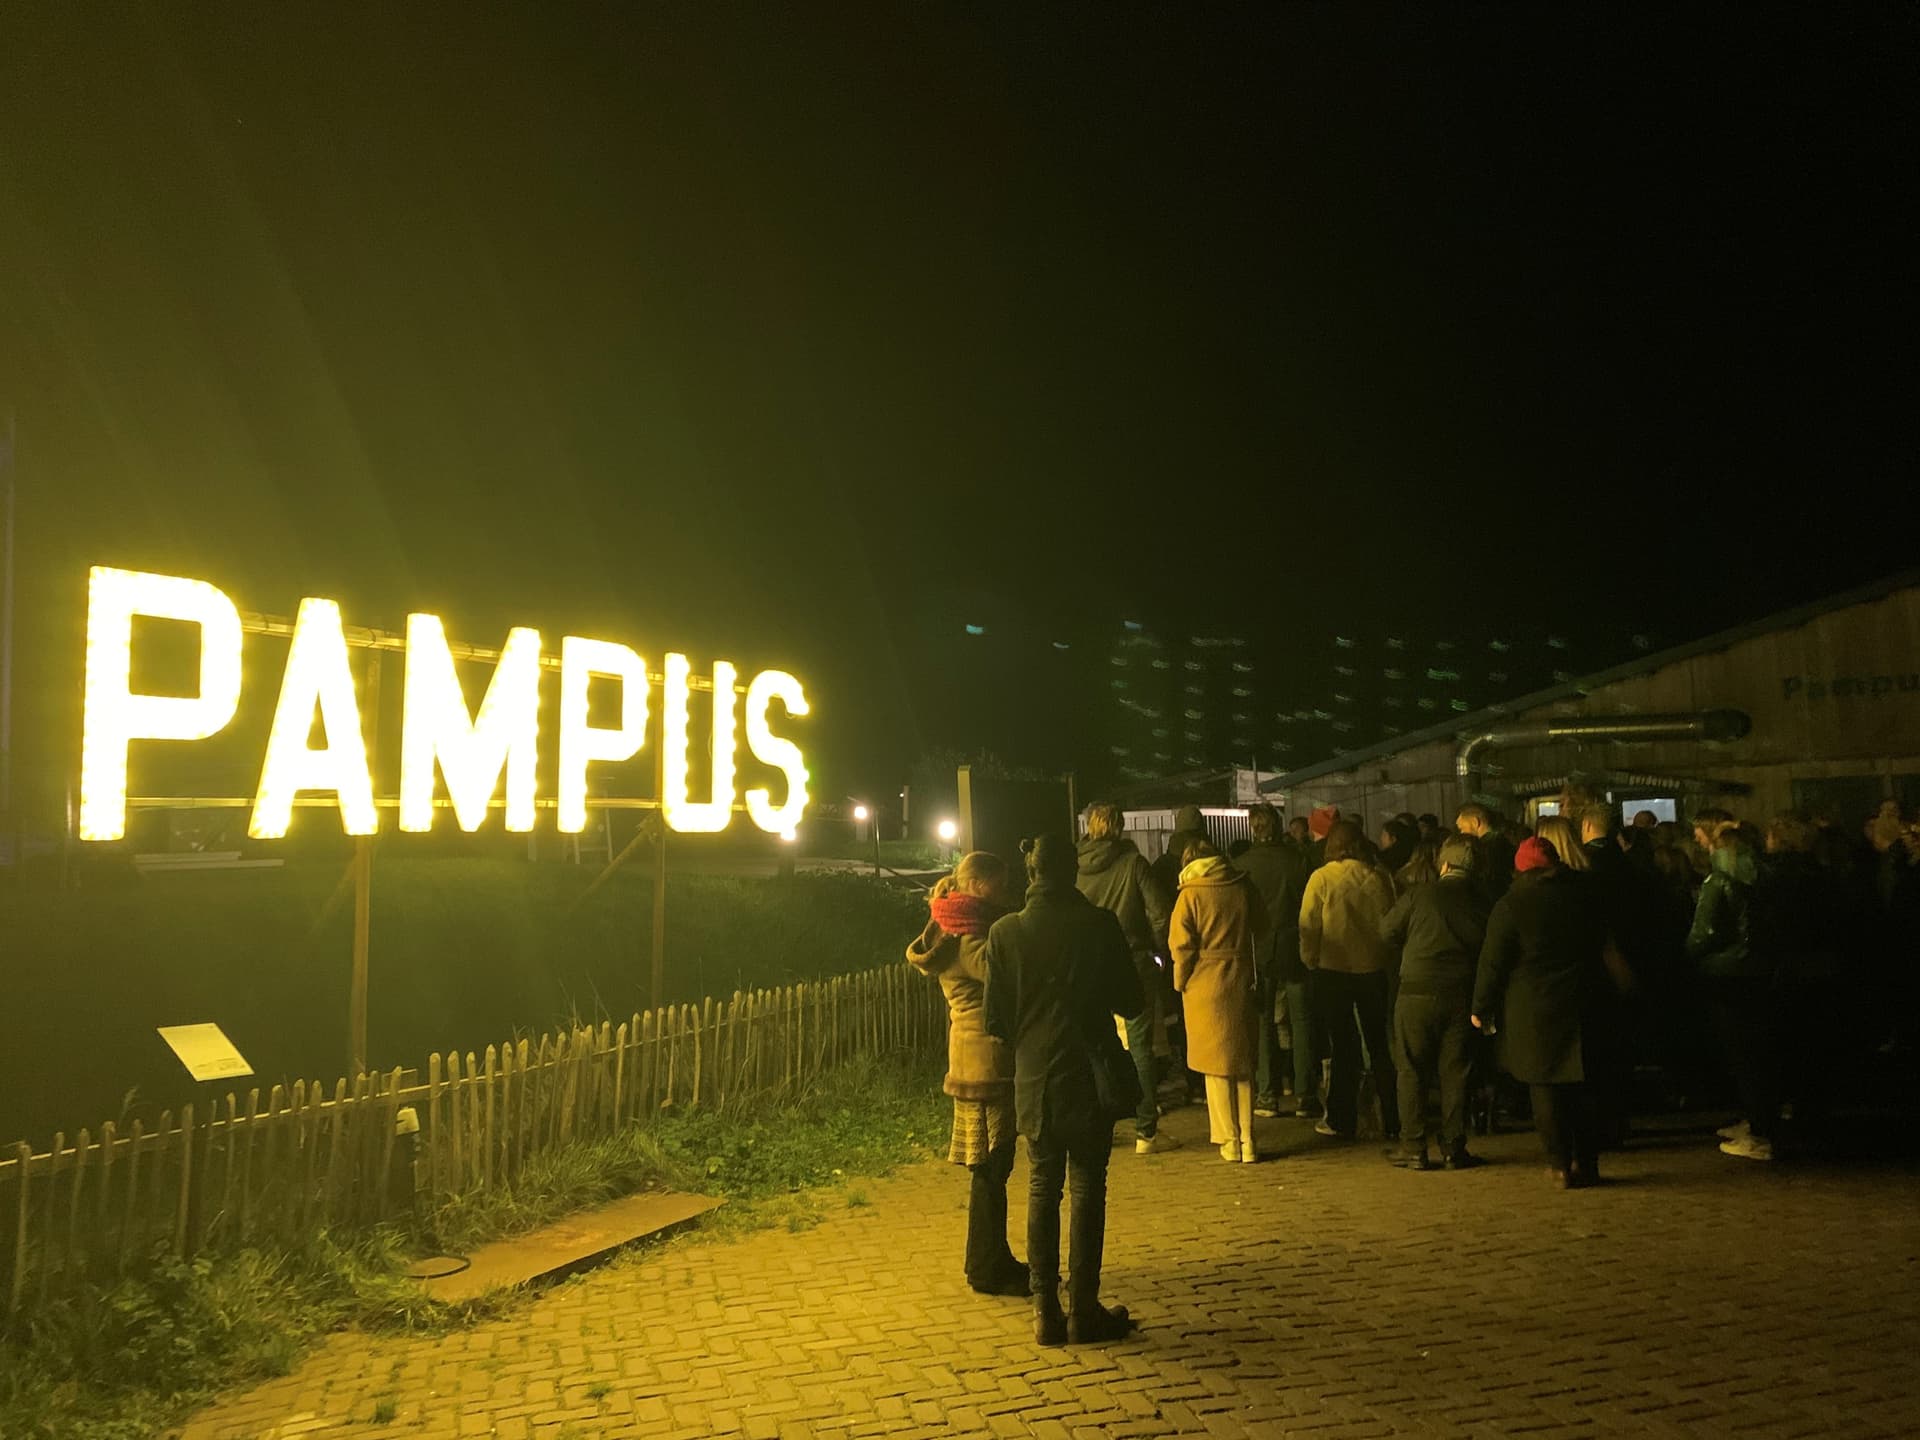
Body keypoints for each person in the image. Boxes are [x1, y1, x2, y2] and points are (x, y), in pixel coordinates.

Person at [983, 834, 1144, 1346]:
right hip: (1090, 1076)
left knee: (1042, 1187)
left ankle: (1045, 1312)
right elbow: (1131, 999)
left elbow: (996, 1019)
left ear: (1031, 872)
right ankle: (1084, 1309)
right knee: (1087, 1189)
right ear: (1072, 872)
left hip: (1037, 1078)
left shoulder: (1005, 933)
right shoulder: (1100, 926)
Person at [906, 852, 1024, 1293]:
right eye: (1000, 883)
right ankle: (988, 1266)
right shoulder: (971, 939)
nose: (1007, 890)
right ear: (977, 885)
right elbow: (1006, 981)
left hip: (968, 1056)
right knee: (994, 1167)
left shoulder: (947, 928)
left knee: (988, 1169)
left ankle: (990, 1259)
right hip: (988, 1060)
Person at [1472, 836, 1611, 1188]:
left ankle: (1559, 1163)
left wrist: (1481, 1006)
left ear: (1520, 868)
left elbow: (1493, 962)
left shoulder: (1512, 904)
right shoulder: (1584, 897)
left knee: (1545, 1088)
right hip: (1584, 999)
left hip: (1534, 1008)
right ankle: (1588, 1162)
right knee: (1586, 1088)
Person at [1381, 834, 1490, 1169]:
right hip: (1460, 993)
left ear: (1444, 865)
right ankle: (1453, 1147)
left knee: (1411, 1069)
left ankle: (1413, 1146)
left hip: (1415, 990)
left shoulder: (1419, 895)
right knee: (1455, 1072)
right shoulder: (1482, 901)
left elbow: (1387, 930)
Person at [1074, 802, 1177, 1155]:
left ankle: (1098, 1121)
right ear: (1118, 827)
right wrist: (1161, 954)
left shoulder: (1072, 866)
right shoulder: (1134, 863)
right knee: (1140, 1046)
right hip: (1133, 961)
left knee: (1092, 1043)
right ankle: (1146, 1130)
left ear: (1089, 826)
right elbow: (1160, 913)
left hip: (1087, 965)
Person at [1170, 839, 1271, 1162]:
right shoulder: (1242, 886)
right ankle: (1249, 1138)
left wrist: (1180, 981)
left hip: (1204, 982)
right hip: (1240, 975)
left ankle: (1228, 1139)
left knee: (1215, 1067)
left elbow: (1182, 946)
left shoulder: (1190, 894)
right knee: (1243, 1063)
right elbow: (1263, 925)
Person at [1298, 820, 1399, 1141]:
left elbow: (1308, 925)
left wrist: (1310, 959)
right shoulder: (1379, 879)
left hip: (1334, 970)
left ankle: (1341, 1117)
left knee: (1343, 1044)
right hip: (1372, 969)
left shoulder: (1322, 878)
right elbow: (1392, 924)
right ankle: (1393, 1116)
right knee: (1379, 1044)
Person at [1685, 825, 1772, 1161]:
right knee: (1755, 1050)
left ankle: (1759, 1132)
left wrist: (1686, 957)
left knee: (1740, 1052)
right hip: (1758, 972)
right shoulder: (1762, 880)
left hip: (1726, 973)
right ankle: (1758, 1120)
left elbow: (1704, 931)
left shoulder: (1718, 882)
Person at [1233, 803, 1312, 1119]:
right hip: (1293, 946)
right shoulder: (1297, 861)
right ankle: (1306, 1095)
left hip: (1258, 949)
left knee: (1263, 1021)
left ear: (1254, 827)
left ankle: (1267, 1094)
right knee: (1301, 1020)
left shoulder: (1241, 865)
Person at [1455, 802, 1514, 900]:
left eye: (1462, 828)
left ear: (1475, 822)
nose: (1461, 833)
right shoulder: (1504, 841)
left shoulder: (1483, 849)